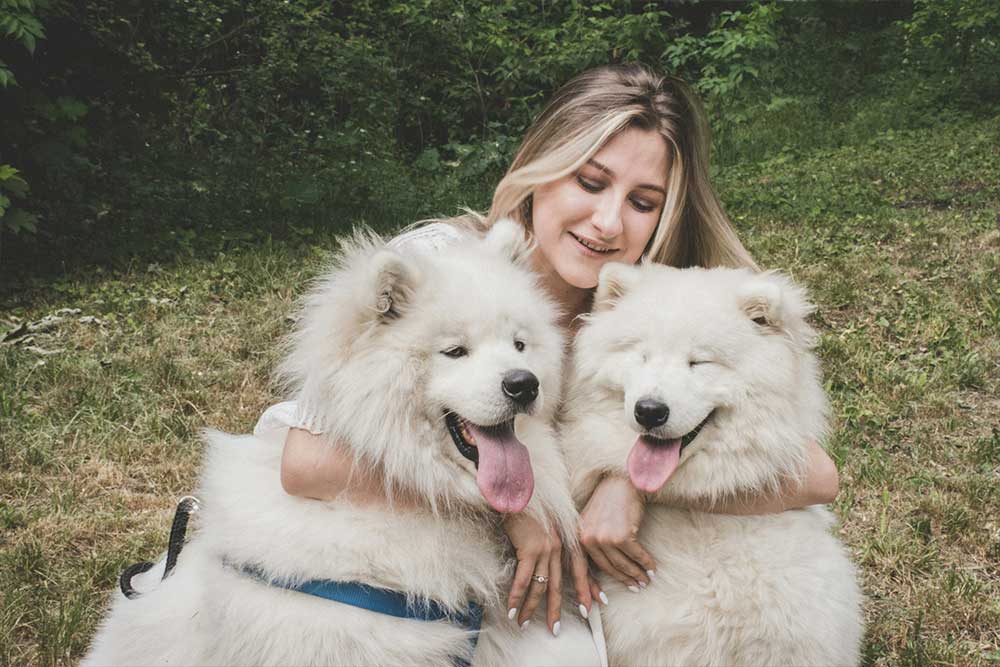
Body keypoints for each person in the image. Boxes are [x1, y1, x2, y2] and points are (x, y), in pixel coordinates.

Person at [259, 63, 840, 643]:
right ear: (541, 169)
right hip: (418, 566)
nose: (607, 221)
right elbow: (305, 463)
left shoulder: (660, 301)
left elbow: (815, 476)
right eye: (590, 183)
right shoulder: (446, 265)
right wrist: (518, 507)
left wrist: (630, 484)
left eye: (642, 201)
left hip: (556, 581)